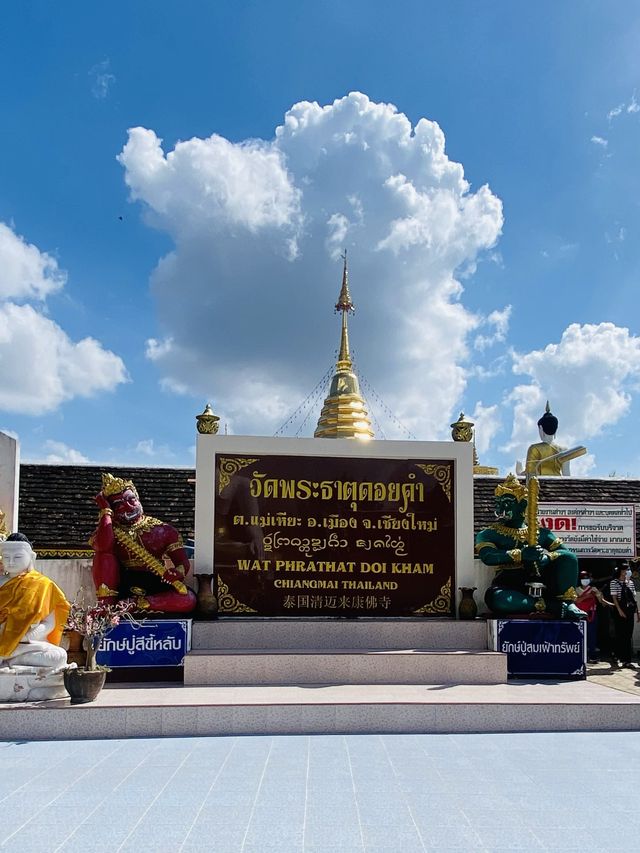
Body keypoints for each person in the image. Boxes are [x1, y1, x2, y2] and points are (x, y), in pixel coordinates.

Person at [476, 474, 585, 619]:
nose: (500, 507)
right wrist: (520, 554)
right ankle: (551, 606)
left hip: (542, 582)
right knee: (496, 599)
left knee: (569, 557)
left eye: (507, 503)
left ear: (522, 505)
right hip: (509, 586)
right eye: (499, 503)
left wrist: (546, 557)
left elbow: (565, 554)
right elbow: (488, 556)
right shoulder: (489, 534)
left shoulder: (541, 533)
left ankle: (567, 602)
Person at [91, 473, 196, 614]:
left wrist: (178, 572)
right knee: (103, 555)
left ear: (138, 498)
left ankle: (139, 604)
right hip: (122, 582)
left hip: (155, 582)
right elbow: (103, 547)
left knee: (188, 600)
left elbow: (182, 561)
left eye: (131, 500)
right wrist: (105, 511)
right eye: (119, 505)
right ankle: (106, 605)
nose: (128, 506)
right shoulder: (109, 530)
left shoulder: (163, 530)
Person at [0, 533, 69, 671]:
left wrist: (26, 636)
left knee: (59, 656)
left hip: (27, 644)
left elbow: (50, 623)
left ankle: (9, 661)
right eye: (6, 557)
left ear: (31, 557)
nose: (11, 562)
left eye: (17, 557)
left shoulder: (43, 584)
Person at [575, 569, 612, 662]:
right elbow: (576, 601)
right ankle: (581, 656)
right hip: (580, 615)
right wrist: (587, 596)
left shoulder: (593, 589)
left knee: (592, 635)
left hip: (592, 614)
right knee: (580, 635)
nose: (585, 580)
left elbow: (601, 600)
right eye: (583, 578)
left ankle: (592, 656)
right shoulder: (576, 590)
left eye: (587, 578)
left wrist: (609, 604)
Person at [525, 402, 568, 476]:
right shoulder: (564, 450)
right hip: (560, 485)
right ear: (556, 429)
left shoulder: (534, 448)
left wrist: (519, 472)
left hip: (541, 485)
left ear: (541, 428)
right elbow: (567, 475)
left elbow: (530, 474)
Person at [609, 561, 639, 668]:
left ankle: (627, 660)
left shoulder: (630, 583)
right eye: (625, 570)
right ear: (621, 571)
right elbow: (614, 599)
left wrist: (637, 611)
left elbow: (633, 599)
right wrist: (619, 610)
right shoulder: (614, 582)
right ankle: (618, 655)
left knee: (628, 635)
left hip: (630, 611)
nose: (627, 572)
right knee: (620, 635)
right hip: (619, 611)